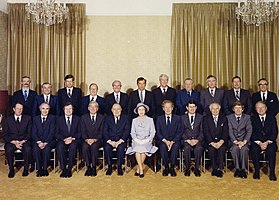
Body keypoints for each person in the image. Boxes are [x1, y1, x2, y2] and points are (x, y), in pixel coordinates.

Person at [126, 103, 158, 178]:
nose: (141, 111)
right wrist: (137, 140)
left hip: (147, 141)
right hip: (136, 141)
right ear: (137, 111)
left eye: (143, 109)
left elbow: (153, 132)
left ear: (145, 111)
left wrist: (147, 140)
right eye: (139, 110)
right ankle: (141, 169)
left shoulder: (150, 120)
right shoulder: (134, 120)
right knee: (138, 150)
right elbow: (132, 132)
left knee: (143, 149)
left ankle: (138, 169)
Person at [251, 101, 278, 181]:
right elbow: (252, 132)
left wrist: (267, 142)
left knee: (271, 150)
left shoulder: (272, 118)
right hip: (257, 141)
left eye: (262, 107)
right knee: (254, 149)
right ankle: (256, 171)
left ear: (266, 108)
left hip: (269, 141)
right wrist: (259, 143)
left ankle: (272, 172)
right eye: (258, 108)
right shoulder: (252, 118)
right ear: (255, 109)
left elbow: (274, 132)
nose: (260, 109)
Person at [3, 103, 32, 178]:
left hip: (24, 141)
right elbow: (5, 135)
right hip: (12, 141)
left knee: (28, 148)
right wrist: (14, 142)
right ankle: (11, 169)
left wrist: (23, 141)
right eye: (18, 108)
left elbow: (29, 133)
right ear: (14, 109)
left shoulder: (28, 118)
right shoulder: (7, 120)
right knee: (9, 149)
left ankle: (26, 169)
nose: (19, 110)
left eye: (21, 109)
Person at [156, 100, 182, 176]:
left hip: (174, 141)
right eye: (166, 107)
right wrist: (165, 141)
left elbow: (179, 132)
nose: (168, 109)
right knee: (163, 147)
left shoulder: (178, 118)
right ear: (163, 108)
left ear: (172, 108)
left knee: (175, 147)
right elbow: (158, 132)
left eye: (169, 107)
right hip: (163, 141)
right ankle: (166, 167)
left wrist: (172, 141)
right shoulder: (159, 119)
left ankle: (172, 167)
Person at [227, 101, 252, 179]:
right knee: (234, 149)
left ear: (242, 109)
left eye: (239, 108)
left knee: (244, 149)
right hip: (233, 141)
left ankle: (243, 169)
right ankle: (237, 169)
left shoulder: (247, 117)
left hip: (244, 141)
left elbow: (249, 130)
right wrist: (235, 141)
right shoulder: (229, 117)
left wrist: (244, 141)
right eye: (236, 108)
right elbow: (229, 131)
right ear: (233, 109)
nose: (238, 110)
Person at [103, 103, 130, 176]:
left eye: (118, 109)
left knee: (121, 148)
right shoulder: (107, 118)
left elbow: (127, 131)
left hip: (121, 140)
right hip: (110, 140)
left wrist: (120, 141)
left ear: (121, 110)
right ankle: (109, 167)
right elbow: (105, 131)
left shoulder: (125, 118)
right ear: (111, 110)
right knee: (107, 148)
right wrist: (109, 141)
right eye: (114, 109)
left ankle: (119, 167)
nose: (116, 111)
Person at [203, 102, 228, 178]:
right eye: (213, 109)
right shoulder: (206, 119)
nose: (215, 110)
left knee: (222, 149)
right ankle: (214, 168)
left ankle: (220, 169)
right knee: (211, 149)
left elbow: (225, 131)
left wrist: (221, 141)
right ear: (210, 110)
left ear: (219, 109)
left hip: (221, 141)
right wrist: (212, 142)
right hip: (210, 142)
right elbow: (206, 131)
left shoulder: (224, 118)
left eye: (217, 108)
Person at [56, 103, 81, 178]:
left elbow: (80, 132)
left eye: (70, 109)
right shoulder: (59, 119)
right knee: (60, 146)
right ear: (64, 110)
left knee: (73, 146)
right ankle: (63, 169)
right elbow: (56, 133)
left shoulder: (78, 119)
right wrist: (64, 139)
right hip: (62, 139)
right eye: (66, 109)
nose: (68, 110)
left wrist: (72, 138)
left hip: (74, 139)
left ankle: (69, 168)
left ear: (73, 110)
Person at [81, 101, 105, 176]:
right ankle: (88, 167)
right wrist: (87, 139)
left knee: (94, 146)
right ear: (88, 108)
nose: (93, 108)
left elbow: (102, 132)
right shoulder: (83, 117)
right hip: (87, 139)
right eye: (91, 106)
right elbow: (83, 131)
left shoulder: (102, 118)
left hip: (98, 140)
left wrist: (94, 139)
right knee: (85, 147)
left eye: (95, 107)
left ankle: (94, 167)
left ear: (97, 108)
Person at [32, 102, 56, 177]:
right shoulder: (35, 119)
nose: (45, 110)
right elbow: (33, 132)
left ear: (49, 110)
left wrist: (45, 143)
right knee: (36, 149)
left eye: (47, 109)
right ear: (40, 109)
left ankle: (45, 169)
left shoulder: (52, 118)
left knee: (46, 149)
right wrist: (39, 142)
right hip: (38, 141)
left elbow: (52, 132)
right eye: (43, 108)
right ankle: (39, 169)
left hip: (49, 141)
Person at [181, 100, 203, 177]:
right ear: (187, 108)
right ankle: (187, 169)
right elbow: (181, 131)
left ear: (196, 107)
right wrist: (187, 140)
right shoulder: (182, 118)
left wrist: (197, 140)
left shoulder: (201, 117)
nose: (192, 108)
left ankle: (196, 169)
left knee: (199, 148)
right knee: (186, 148)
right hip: (187, 140)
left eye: (194, 107)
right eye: (190, 107)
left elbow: (202, 131)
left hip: (197, 140)